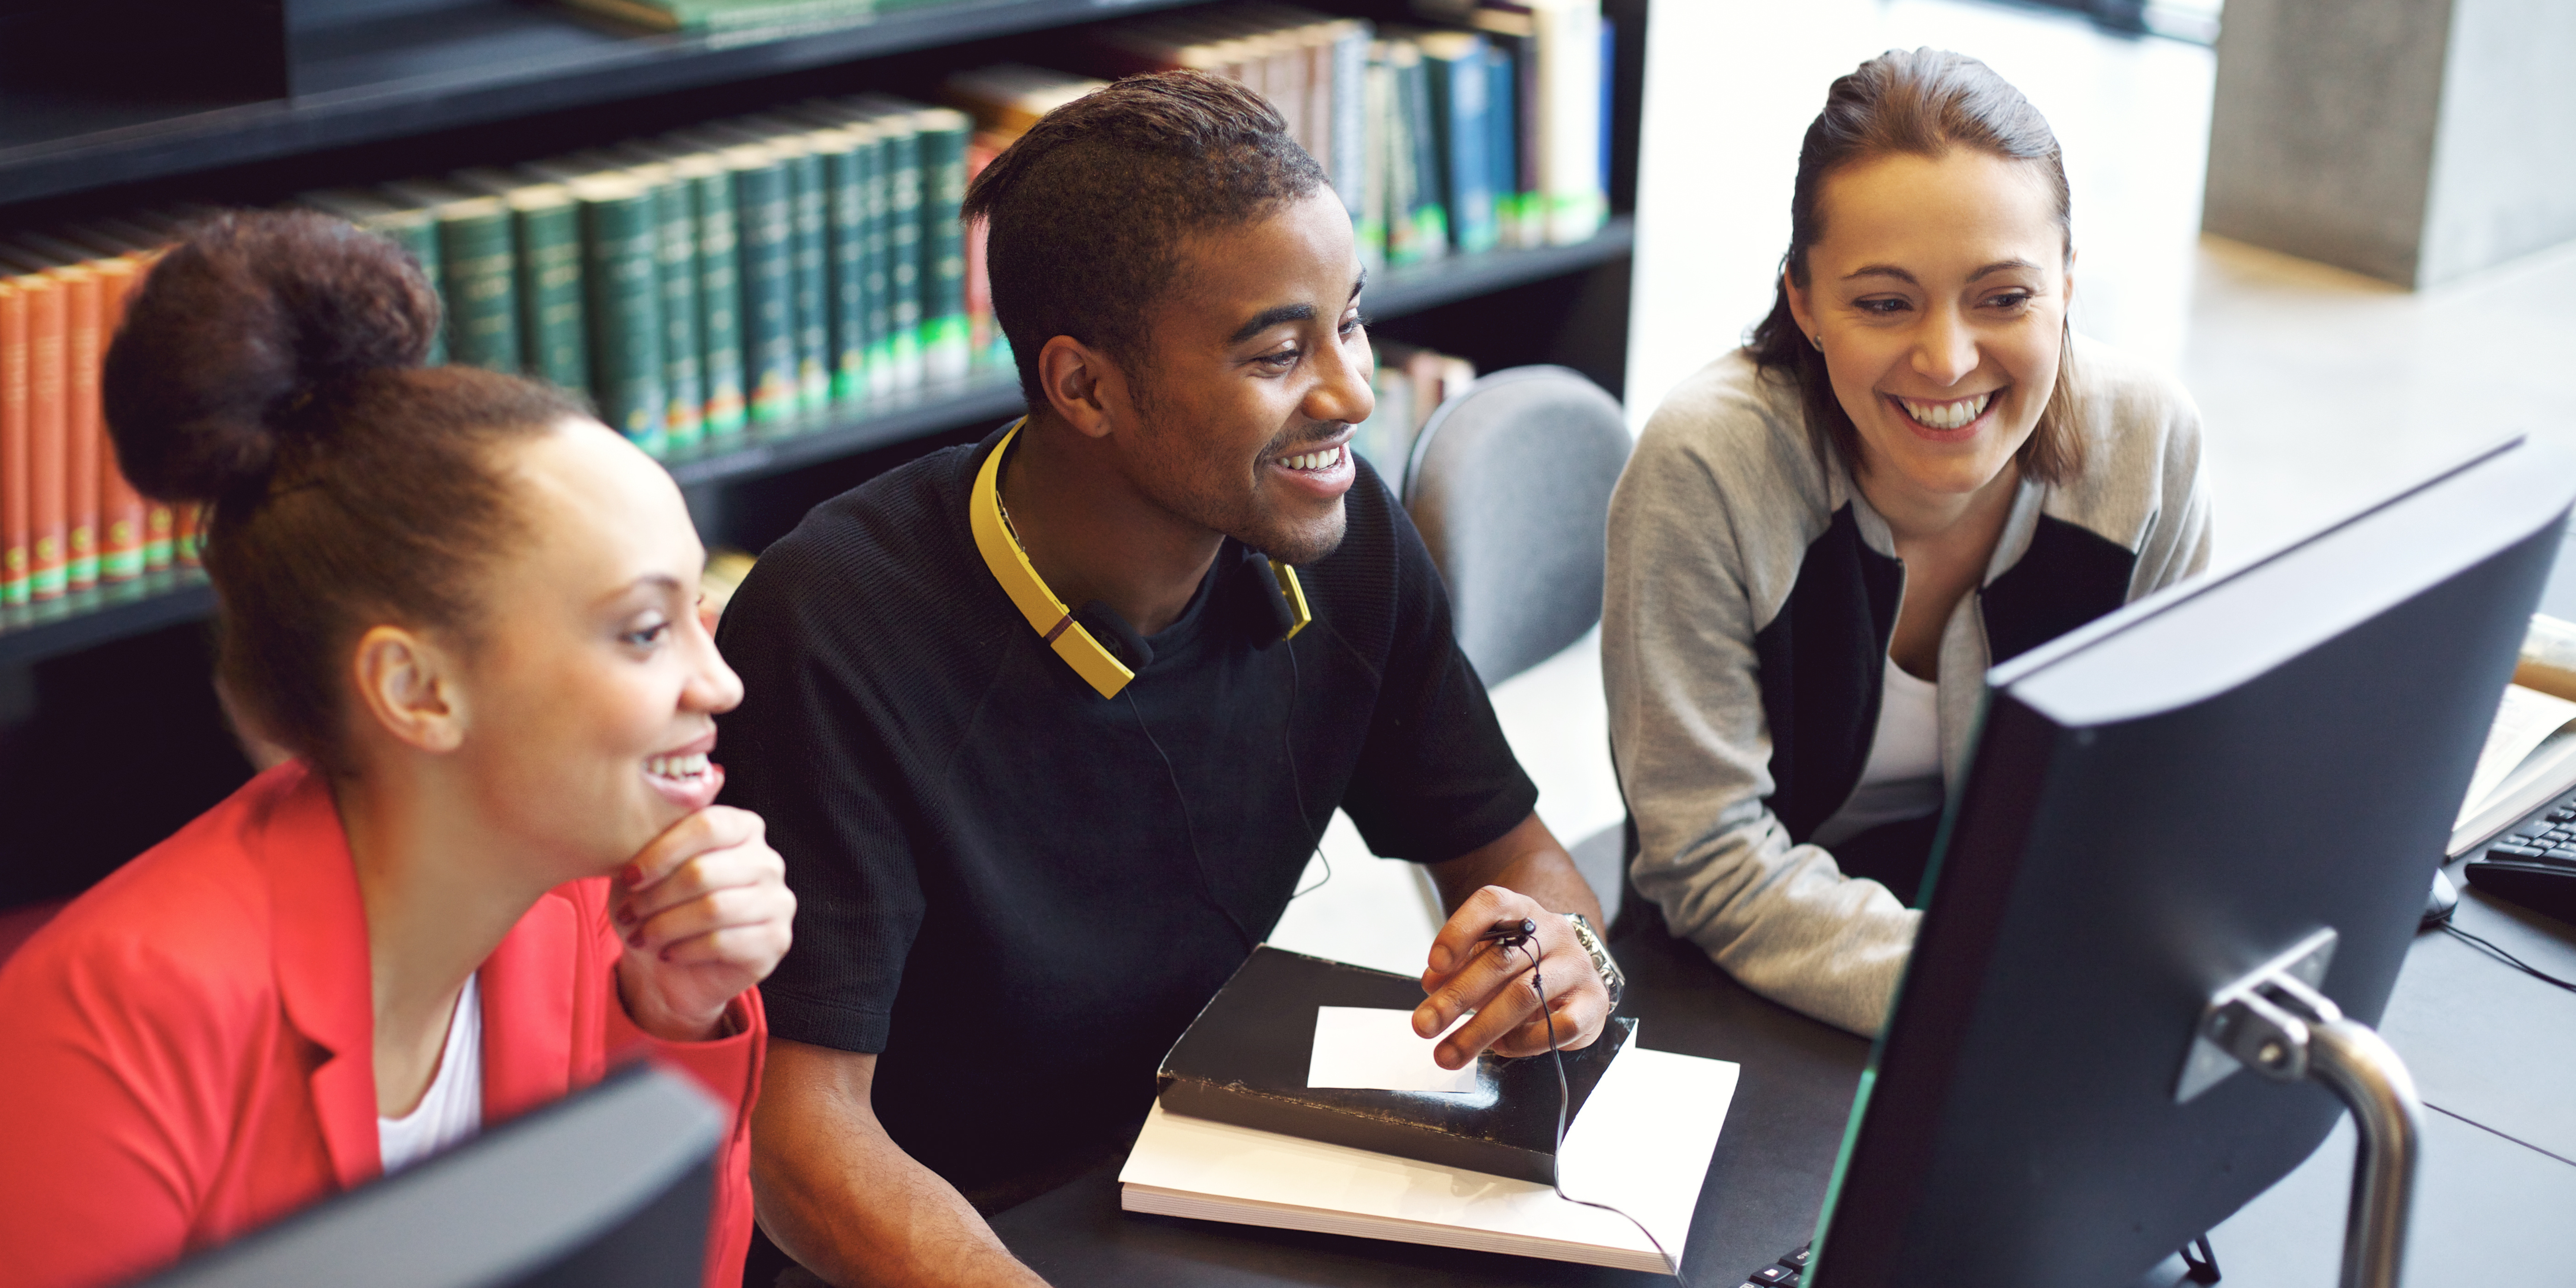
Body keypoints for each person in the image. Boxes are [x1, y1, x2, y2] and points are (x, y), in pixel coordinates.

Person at [715, 71, 1621, 1288]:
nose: (1352, 393)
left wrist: (1560, 955)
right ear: (1085, 386)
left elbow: (1516, 857)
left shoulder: (1342, 547)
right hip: (943, 1242)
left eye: (1350, 322)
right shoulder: (831, 625)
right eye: (1279, 352)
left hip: (1200, 1181)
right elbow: (801, 1143)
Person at [0, 211, 797, 1288]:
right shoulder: (108, 1027)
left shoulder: (586, 924)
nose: (721, 683)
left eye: (698, 612)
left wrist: (674, 1016)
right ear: (416, 691)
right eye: (645, 631)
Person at [1603, 49, 2211, 1038]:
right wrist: (1995, 988)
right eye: (1885, 303)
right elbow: (1707, 861)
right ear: (1802, 300)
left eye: (2004, 298)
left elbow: (2162, 785)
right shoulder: (1708, 464)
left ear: (2065, 283)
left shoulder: (2147, 445)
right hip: (1745, 981)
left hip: (2024, 950)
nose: (1947, 360)